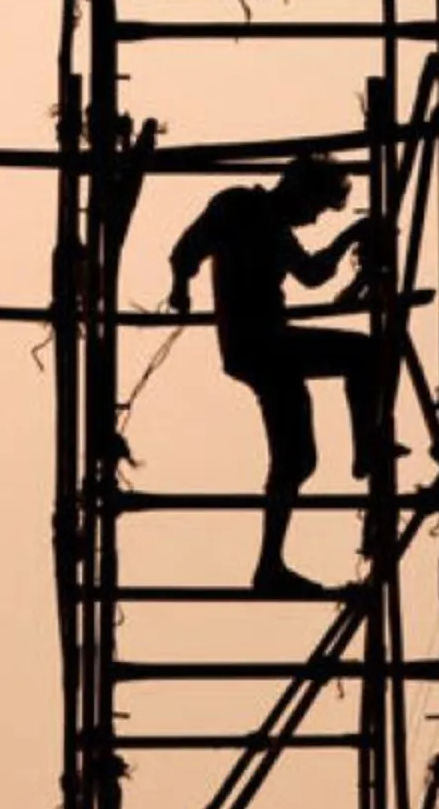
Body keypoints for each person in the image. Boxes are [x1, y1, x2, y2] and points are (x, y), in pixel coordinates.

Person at [168, 154, 396, 595]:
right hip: (262, 342)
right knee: (366, 354)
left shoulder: (270, 223)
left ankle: (270, 565)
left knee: (297, 459)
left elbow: (311, 274)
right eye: (316, 208)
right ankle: (367, 447)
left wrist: (348, 235)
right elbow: (186, 250)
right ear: (298, 189)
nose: (313, 220)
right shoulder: (239, 207)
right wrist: (180, 287)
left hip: (263, 347)